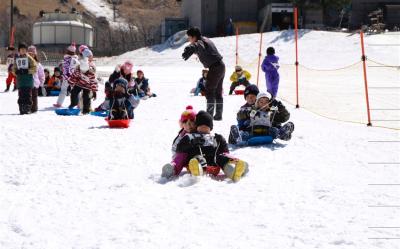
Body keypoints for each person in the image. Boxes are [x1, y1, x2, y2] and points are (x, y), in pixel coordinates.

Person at [164, 111, 249, 182]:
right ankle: (191, 170)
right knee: (197, 159)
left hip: (215, 165)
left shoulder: (216, 138)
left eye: (206, 126)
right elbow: (180, 155)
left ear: (211, 128)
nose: (203, 128)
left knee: (222, 158)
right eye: (201, 126)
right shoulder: (189, 137)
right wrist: (175, 166)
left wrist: (231, 158)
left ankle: (234, 170)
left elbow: (224, 152)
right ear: (197, 127)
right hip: (198, 163)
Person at [182, 27, 226, 120]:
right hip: (221, 66)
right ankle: (218, 115)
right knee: (218, 92)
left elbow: (196, 45)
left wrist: (189, 48)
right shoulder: (206, 39)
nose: (189, 40)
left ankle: (208, 116)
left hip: (215, 68)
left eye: (189, 38)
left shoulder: (200, 42)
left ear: (194, 37)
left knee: (209, 90)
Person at [229, 92, 294, 145]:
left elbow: (285, 117)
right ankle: (235, 137)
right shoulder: (253, 109)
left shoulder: (271, 110)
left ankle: (283, 134)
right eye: (261, 102)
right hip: (251, 132)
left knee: (275, 130)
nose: (264, 104)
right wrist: (248, 113)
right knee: (243, 134)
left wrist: (281, 107)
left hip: (268, 132)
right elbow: (240, 114)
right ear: (257, 102)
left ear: (269, 103)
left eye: (266, 102)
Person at [161, 106, 198, 178]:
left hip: (196, 158)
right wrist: (176, 157)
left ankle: (197, 168)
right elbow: (175, 147)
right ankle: (172, 169)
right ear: (181, 124)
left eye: (192, 121)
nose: (188, 125)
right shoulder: (181, 135)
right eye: (185, 122)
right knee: (180, 156)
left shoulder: (199, 133)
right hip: (183, 158)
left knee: (197, 159)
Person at [12, 42, 37, 114]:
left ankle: (27, 108)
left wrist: (27, 71)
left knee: (28, 95)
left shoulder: (29, 58)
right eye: (21, 49)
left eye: (24, 49)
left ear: (26, 50)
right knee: (21, 95)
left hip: (28, 81)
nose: (23, 51)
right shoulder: (17, 59)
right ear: (19, 50)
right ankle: (21, 108)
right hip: (20, 81)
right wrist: (16, 72)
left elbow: (35, 68)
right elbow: (14, 69)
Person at [27, 45, 45, 113]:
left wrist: (41, 82)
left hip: (35, 83)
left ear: (35, 55)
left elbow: (41, 74)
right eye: (30, 54)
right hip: (27, 82)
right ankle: (28, 108)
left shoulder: (38, 64)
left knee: (34, 96)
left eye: (33, 54)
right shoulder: (26, 63)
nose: (31, 55)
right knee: (28, 96)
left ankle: (34, 108)